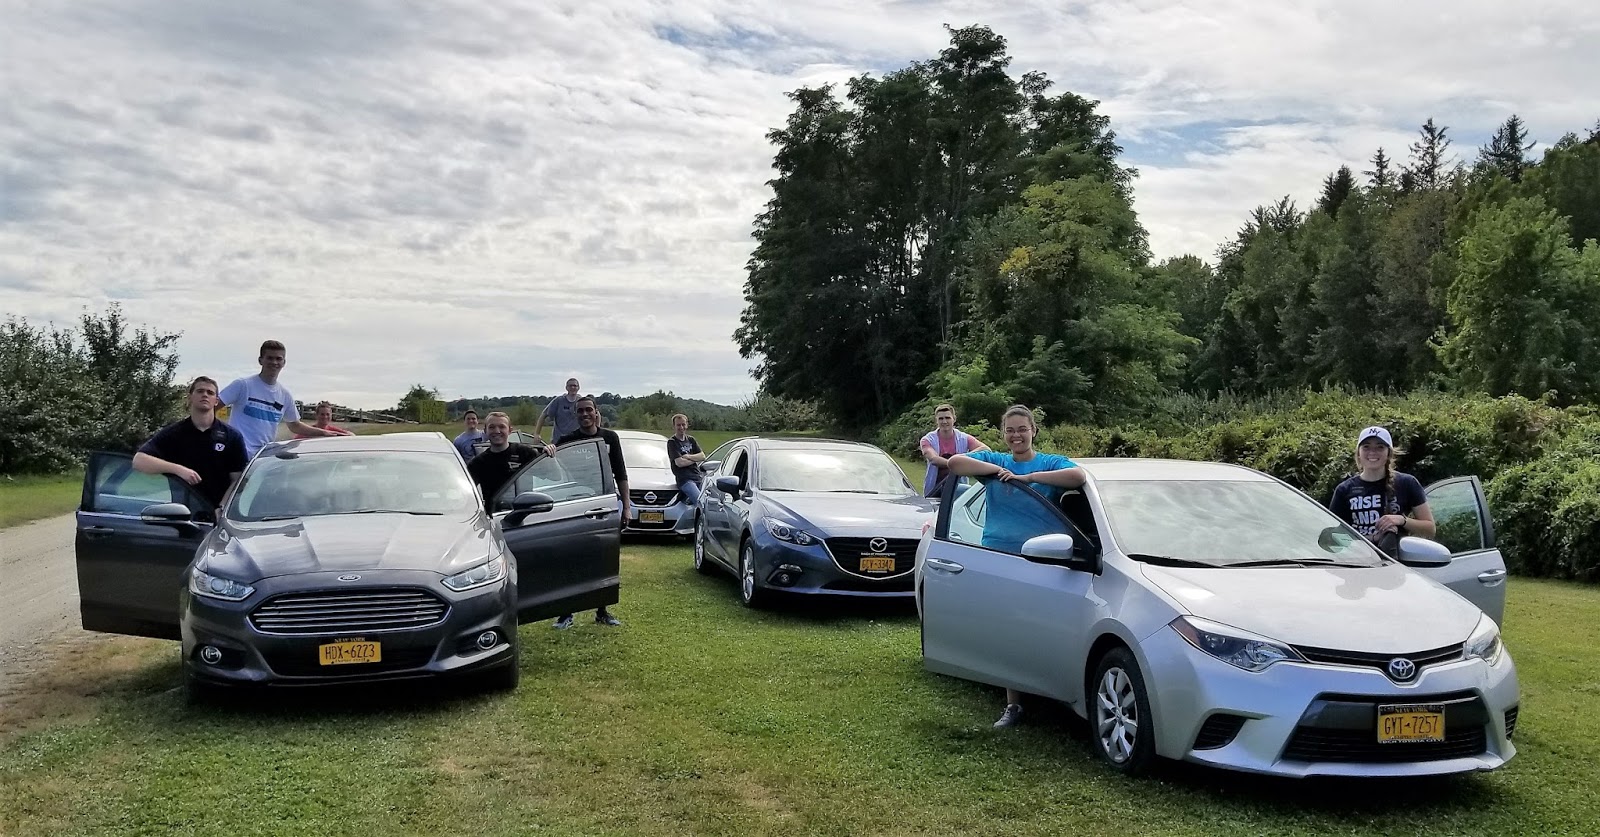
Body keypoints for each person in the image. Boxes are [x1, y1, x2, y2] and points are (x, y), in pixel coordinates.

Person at [948, 404, 1087, 730]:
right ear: (1003, 434)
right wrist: (997, 471)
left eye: (1022, 429)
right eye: (1010, 430)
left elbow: (1078, 476)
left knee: (1045, 629)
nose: (1016, 436)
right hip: (1000, 558)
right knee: (1007, 631)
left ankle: (1052, 692)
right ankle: (1014, 704)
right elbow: (955, 463)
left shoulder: (1049, 462)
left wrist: (1028, 478)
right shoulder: (996, 460)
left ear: (1033, 430)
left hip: (1045, 560)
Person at [553, 395, 627, 629]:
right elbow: (553, 469)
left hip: (604, 505)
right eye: (580, 411)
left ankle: (602, 611)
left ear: (596, 412)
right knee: (571, 558)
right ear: (575, 414)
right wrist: (549, 450)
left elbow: (620, 472)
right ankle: (566, 613)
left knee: (603, 559)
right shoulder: (567, 441)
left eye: (588, 410)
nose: (585, 414)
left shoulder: (610, 438)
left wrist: (626, 506)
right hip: (575, 505)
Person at [132, 376, 249, 513]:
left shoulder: (232, 436)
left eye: (210, 393)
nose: (205, 395)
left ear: (216, 401)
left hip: (219, 515)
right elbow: (139, 461)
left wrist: (222, 509)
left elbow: (238, 480)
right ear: (190, 397)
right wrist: (179, 470)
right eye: (200, 391)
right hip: (182, 515)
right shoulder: (174, 433)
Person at [217, 340, 338, 459]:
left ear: (284, 362)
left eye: (278, 359)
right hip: (236, 454)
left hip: (262, 458)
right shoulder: (242, 385)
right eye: (270, 358)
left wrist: (322, 432)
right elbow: (212, 408)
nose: (274, 362)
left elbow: (294, 425)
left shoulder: (284, 395)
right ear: (260, 360)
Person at [1329, 426, 1435, 553]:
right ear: (1358, 453)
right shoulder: (1344, 489)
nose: (1372, 452)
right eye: (1366, 447)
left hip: (1395, 560)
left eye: (1380, 447)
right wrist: (1373, 538)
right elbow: (1333, 538)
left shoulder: (1407, 483)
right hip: (1357, 559)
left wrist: (1402, 520)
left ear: (1389, 453)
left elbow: (1430, 529)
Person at [465, 412, 544, 508]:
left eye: (502, 427)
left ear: (510, 430)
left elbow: (554, 476)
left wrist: (548, 453)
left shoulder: (525, 453)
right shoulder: (477, 463)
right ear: (485, 431)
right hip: (494, 515)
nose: (497, 431)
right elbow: (465, 494)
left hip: (525, 512)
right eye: (492, 427)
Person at [918, 403, 990, 496]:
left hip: (959, 487)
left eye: (947, 418)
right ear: (936, 421)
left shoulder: (963, 438)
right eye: (941, 418)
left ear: (954, 419)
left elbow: (986, 449)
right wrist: (955, 463)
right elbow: (933, 459)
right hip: (934, 489)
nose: (944, 421)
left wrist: (964, 458)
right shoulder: (927, 440)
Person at [667, 413, 705, 506]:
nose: (681, 427)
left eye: (683, 424)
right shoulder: (672, 442)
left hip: (698, 477)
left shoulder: (691, 440)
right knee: (701, 503)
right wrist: (695, 459)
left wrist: (688, 456)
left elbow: (702, 456)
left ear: (687, 425)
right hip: (685, 480)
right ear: (674, 426)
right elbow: (679, 463)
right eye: (678, 425)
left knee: (707, 503)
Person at [532, 377, 583, 446]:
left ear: (578, 388)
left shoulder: (582, 402)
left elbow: (595, 414)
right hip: (558, 441)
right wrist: (537, 434)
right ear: (566, 388)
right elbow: (543, 415)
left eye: (575, 386)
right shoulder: (558, 401)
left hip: (576, 441)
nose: (572, 387)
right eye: (570, 386)